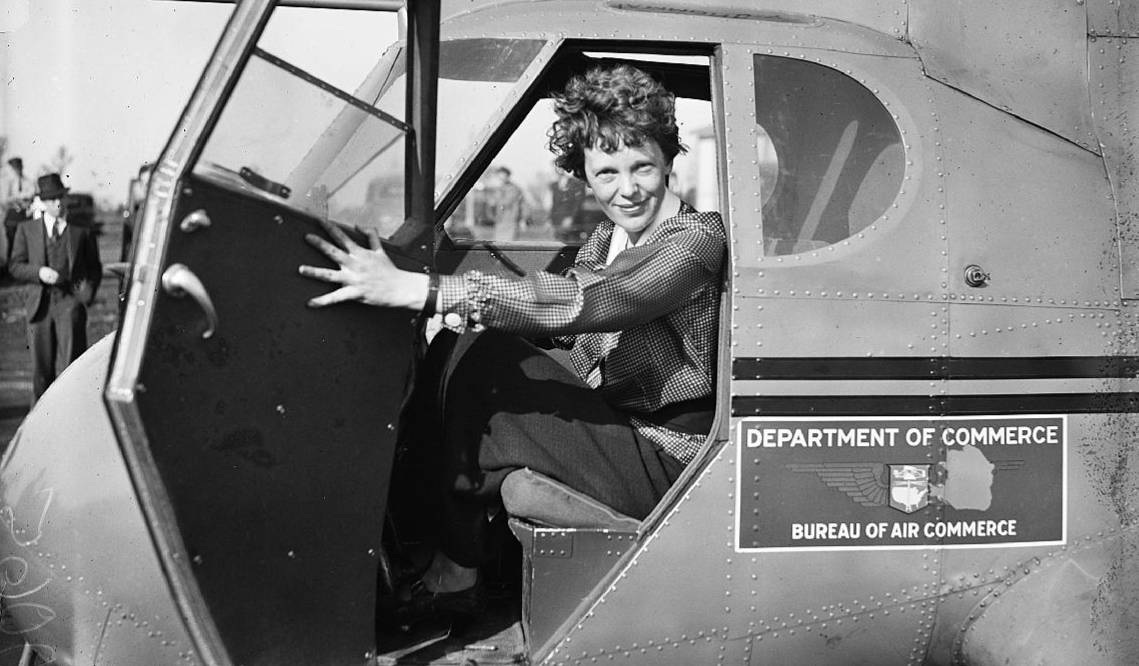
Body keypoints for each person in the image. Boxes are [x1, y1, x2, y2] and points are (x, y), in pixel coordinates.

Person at [298, 64, 725, 623]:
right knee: (465, 345)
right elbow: (572, 337)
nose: (628, 188)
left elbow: (590, 302)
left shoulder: (693, 240)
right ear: (585, 175)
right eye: (606, 172)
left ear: (668, 159)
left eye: (642, 165)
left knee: (489, 362)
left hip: (667, 457)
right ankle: (413, 546)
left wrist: (427, 289)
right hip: (621, 426)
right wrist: (468, 323)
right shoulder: (606, 237)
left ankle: (455, 573)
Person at [8, 173, 102, 402]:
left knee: (73, 370)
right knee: (42, 374)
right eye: (51, 199)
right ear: (42, 202)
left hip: (70, 305)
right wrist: (38, 272)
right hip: (39, 308)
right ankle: (39, 427)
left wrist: (84, 297)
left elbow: (94, 268)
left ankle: (73, 422)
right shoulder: (27, 230)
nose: (57, 203)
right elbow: (15, 266)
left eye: (60, 197)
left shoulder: (81, 232)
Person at [3, 157, 34, 264]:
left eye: (19, 167)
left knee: (24, 241)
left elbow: (31, 195)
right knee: (11, 242)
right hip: (12, 216)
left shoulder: (28, 181)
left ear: (22, 167)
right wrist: (17, 199)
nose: (17, 170)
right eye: (15, 168)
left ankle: (22, 266)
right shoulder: (10, 183)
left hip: (24, 215)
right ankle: (10, 266)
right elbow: (5, 199)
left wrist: (21, 198)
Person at [484, 165, 526, 241]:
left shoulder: (515, 189)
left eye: (503, 177)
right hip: (500, 222)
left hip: (511, 222)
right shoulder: (498, 190)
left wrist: (523, 219)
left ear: (508, 176)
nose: (501, 179)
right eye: (500, 177)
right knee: (498, 244)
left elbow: (519, 204)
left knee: (509, 245)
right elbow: (491, 205)